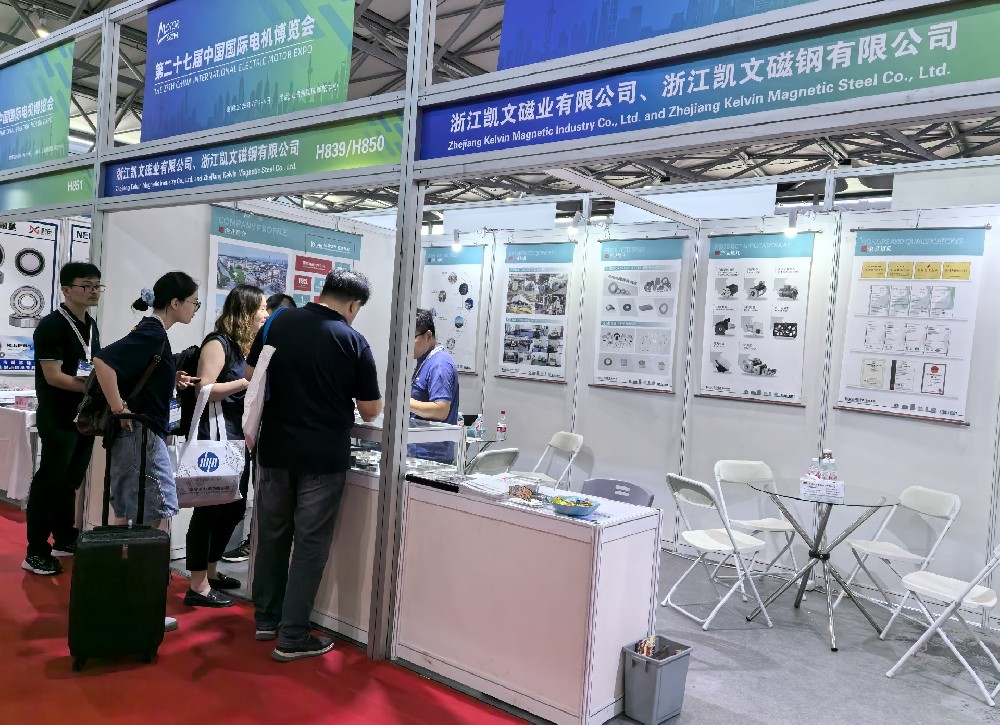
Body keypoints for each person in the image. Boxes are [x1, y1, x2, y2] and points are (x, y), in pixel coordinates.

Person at [246, 269, 382, 662]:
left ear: (323, 293)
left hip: (275, 449)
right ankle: (292, 636)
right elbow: (370, 410)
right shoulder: (353, 341)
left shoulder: (279, 321)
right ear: (354, 305)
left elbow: (251, 374)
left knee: (271, 536)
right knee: (310, 545)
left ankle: (266, 620)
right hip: (323, 456)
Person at [93, 272, 200, 632]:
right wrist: (119, 407)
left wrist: (171, 378)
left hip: (143, 435)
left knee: (141, 514)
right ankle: (137, 601)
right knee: (150, 513)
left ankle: (127, 598)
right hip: (141, 434)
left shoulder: (154, 332)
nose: (195, 308)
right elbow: (104, 361)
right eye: (193, 302)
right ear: (175, 302)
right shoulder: (153, 331)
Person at [183, 285, 267, 608]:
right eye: (261, 308)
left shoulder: (245, 347)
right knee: (208, 508)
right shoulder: (218, 343)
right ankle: (197, 584)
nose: (265, 314)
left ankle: (211, 570)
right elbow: (204, 389)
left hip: (235, 436)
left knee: (232, 507)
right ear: (246, 310)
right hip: (214, 436)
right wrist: (247, 382)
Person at [21, 263, 103, 576]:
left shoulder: (91, 325)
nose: (93, 291)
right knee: (50, 482)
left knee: (70, 481)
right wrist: (95, 387)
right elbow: (54, 376)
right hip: (57, 416)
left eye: (97, 285)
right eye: (86, 285)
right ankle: (35, 550)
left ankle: (64, 537)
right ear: (66, 289)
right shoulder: (51, 325)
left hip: (84, 416)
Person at [220, 292, 297, 565]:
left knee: (263, 502)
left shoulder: (281, 344)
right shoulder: (227, 344)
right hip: (247, 434)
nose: (265, 317)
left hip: (271, 437)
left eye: (268, 312)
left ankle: (253, 548)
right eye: (262, 310)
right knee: (243, 499)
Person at [408, 308, 460, 464]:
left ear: (428, 335)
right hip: (418, 450)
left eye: (411, 337)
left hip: (431, 456)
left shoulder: (439, 365)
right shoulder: (425, 360)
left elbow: (441, 410)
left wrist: (403, 402)